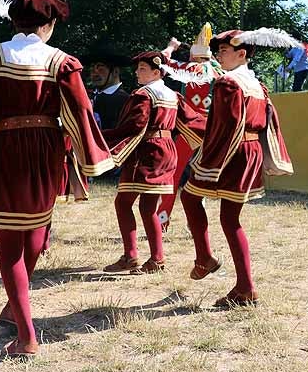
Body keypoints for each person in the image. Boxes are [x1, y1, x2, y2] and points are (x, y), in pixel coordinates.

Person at [0, 0, 111, 358]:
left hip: (8, 146)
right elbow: (80, 110)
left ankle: (26, 336)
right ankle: (16, 312)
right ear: (47, 25)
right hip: (47, 149)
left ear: (14, 21)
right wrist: (89, 157)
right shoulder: (62, 61)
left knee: (10, 240)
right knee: (35, 228)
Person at [181, 28, 294, 308]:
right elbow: (270, 123)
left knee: (190, 196)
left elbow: (225, 127)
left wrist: (206, 161)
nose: (219, 56)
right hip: (250, 151)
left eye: (223, 51)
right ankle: (244, 286)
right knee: (230, 219)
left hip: (231, 152)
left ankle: (206, 259)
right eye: (217, 52)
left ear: (241, 54)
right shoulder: (257, 84)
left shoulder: (228, 83)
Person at [102, 51, 194, 274]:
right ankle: (157, 259)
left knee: (123, 203)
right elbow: (191, 121)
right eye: (137, 69)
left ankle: (130, 256)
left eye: (142, 69)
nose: (137, 72)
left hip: (146, 152)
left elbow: (133, 126)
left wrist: (100, 136)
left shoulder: (143, 94)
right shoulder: (173, 95)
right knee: (148, 207)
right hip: (167, 151)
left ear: (157, 72)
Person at [158, 24, 219, 232]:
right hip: (212, 131)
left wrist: (171, 46)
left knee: (173, 175)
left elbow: (161, 62)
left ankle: (162, 220)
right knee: (199, 178)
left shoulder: (190, 68)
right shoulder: (220, 71)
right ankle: (196, 224)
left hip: (189, 129)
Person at [82, 42, 132, 131]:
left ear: (115, 72)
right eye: (93, 67)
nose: (94, 73)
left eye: (100, 67)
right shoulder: (87, 97)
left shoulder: (125, 101)